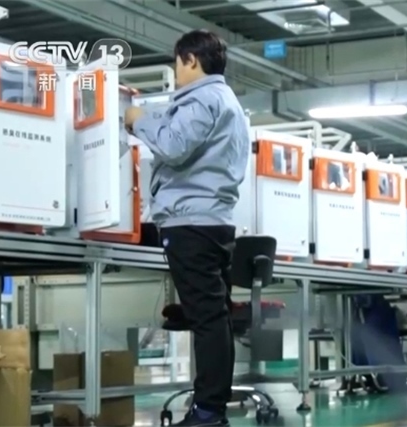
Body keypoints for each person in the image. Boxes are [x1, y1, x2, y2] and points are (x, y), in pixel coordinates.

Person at [124, 30, 249, 427]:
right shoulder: (227, 101)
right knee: (215, 319)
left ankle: (208, 412)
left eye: (177, 63)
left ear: (191, 60)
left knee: (208, 321)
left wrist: (138, 121)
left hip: (191, 223)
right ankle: (211, 409)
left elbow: (174, 146)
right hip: (214, 222)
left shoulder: (202, 98)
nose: (176, 72)